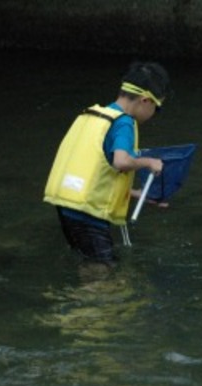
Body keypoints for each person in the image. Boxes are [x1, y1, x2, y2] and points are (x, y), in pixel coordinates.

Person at [43, 61, 170, 264]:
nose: (154, 115)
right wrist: (149, 162)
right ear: (145, 101)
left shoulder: (96, 115)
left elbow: (98, 175)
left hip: (68, 207)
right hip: (88, 216)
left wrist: (140, 195)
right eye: (157, 108)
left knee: (91, 263)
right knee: (102, 277)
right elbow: (121, 161)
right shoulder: (124, 123)